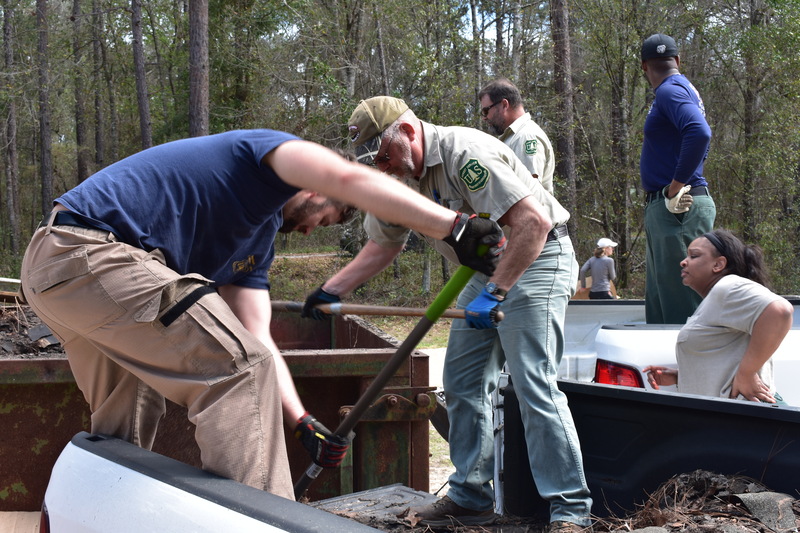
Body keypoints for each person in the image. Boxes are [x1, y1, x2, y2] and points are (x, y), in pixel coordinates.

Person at [19, 129, 504, 501]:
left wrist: (301, 421)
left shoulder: (255, 243)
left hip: (63, 273)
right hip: (90, 252)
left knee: (129, 411)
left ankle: (98, 515)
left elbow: (259, 338)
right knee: (237, 371)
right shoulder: (266, 155)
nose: (311, 232)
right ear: (316, 188)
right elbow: (347, 178)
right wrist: (454, 227)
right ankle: (263, 521)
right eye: (325, 219)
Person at [303, 97, 592, 532]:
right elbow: (383, 244)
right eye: (372, 160)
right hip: (484, 271)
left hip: (537, 257)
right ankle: (471, 498)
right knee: (462, 384)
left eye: (384, 154)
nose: (381, 166)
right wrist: (331, 290)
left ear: (409, 131)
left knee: (533, 384)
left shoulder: (465, 153)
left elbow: (533, 224)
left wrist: (495, 292)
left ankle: (571, 512)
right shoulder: (396, 178)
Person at [643, 229, 793, 403]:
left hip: (748, 412)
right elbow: (725, 358)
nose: (683, 262)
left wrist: (747, 373)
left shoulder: (727, 286)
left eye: (694, 256)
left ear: (718, 264)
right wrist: (681, 376)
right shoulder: (715, 300)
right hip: (736, 413)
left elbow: (780, 311)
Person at [640, 33, 716, 324]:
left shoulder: (669, 90)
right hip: (674, 209)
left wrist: (676, 185)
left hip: (678, 208)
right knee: (663, 305)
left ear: (644, 66)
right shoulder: (681, 88)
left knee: (681, 311)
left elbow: (699, 132)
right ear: (677, 60)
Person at [478, 78, 556, 195]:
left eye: (486, 111)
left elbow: (529, 193)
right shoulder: (514, 137)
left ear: (504, 105)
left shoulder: (525, 136)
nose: (484, 117)